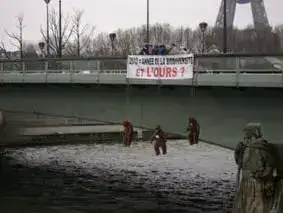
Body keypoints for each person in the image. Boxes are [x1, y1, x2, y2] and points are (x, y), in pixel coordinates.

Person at [233, 123, 282, 213]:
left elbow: (270, 165)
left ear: (253, 134)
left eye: (247, 134)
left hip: (257, 184)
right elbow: (240, 163)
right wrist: (237, 152)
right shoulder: (245, 148)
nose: (245, 137)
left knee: (256, 207)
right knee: (245, 207)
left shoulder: (262, 148)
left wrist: (263, 175)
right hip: (245, 183)